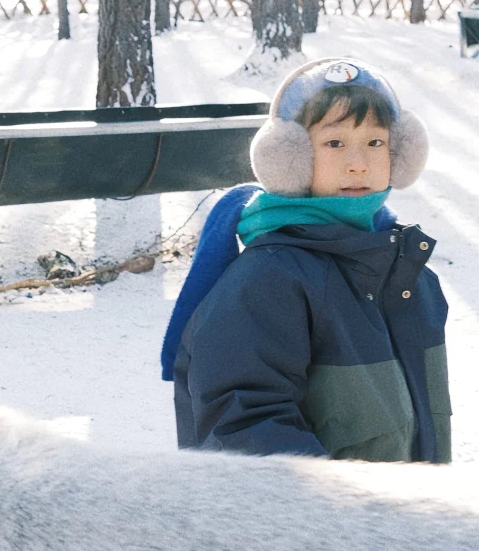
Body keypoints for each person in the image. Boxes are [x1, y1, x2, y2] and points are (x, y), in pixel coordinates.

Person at [160, 59, 450, 462]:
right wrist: (348, 511)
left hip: (400, 517)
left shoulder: (408, 275)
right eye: (334, 143)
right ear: (289, 157)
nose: (358, 162)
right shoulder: (269, 279)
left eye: (375, 142)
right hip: (328, 521)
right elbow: (243, 427)